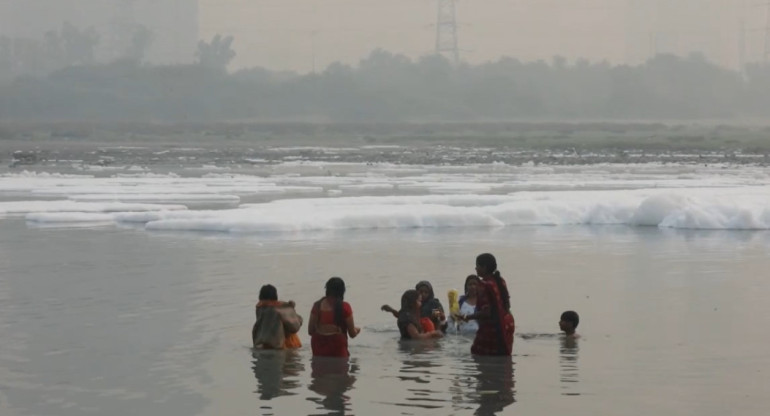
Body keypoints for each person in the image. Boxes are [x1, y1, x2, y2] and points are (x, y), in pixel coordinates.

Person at [460, 253, 515, 355]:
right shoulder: (500, 281)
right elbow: (506, 304)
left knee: (480, 355)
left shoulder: (484, 285)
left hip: (493, 327)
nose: (475, 268)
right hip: (506, 323)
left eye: (477, 266)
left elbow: (487, 312)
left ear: (484, 268)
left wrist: (468, 317)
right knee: (503, 356)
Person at [308, 277, 361, 357]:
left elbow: (310, 331)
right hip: (337, 349)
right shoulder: (345, 307)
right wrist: (357, 329)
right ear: (342, 291)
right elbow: (352, 334)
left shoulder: (317, 306)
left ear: (327, 289)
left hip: (318, 348)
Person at [382, 280, 447, 332]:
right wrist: (391, 310)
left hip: (433, 329)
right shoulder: (413, 303)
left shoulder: (433, 303)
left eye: (426, 292)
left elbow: (440, 317)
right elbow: (403, 315)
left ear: (430, 293)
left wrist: (435, 316)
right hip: (418, 329)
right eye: (421, 292)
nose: (423, 294)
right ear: (416, 292)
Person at [252, 284, 303, 349]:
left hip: (262, 344)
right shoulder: (279, 309)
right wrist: (292, 310)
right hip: (281, 345)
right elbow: (295, 326)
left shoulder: (259, 309)